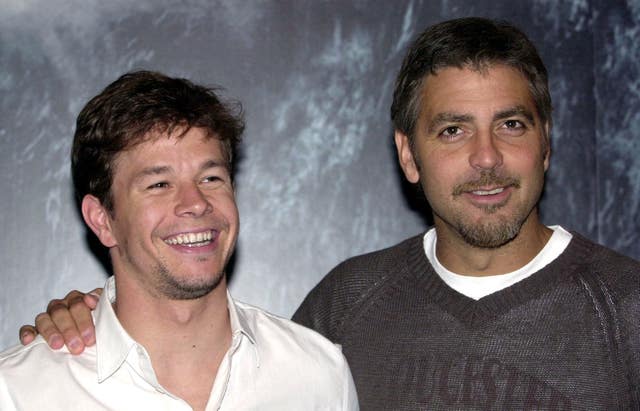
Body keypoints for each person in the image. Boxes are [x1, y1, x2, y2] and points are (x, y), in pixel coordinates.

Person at [18, 17, 640, 409]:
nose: (485, 158)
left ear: (547, 143)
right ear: (409, 155)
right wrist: (95, 320)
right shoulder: (344, 308)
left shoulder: (628, 307)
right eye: (452, 130)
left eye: (510, 124)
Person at [1, 71, 358, 410]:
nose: (196, 203)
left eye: (211, 178)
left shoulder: (318, 375)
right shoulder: (20, 391)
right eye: (159, 184)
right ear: (102, 220)